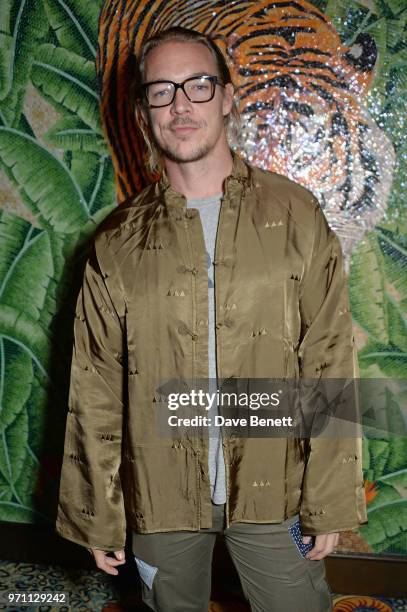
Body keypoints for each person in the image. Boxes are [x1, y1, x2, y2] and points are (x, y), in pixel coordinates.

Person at [55, 26, 368, 612]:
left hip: (277, 483)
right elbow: (94, 385)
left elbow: (329, 360)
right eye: (161, 90)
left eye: (198, 85)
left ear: (227, 96)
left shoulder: (295, 216)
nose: (180, 105)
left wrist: (329, 498)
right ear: (143, 111)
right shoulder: (117, 243)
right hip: (160, 491)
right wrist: (99, 510)